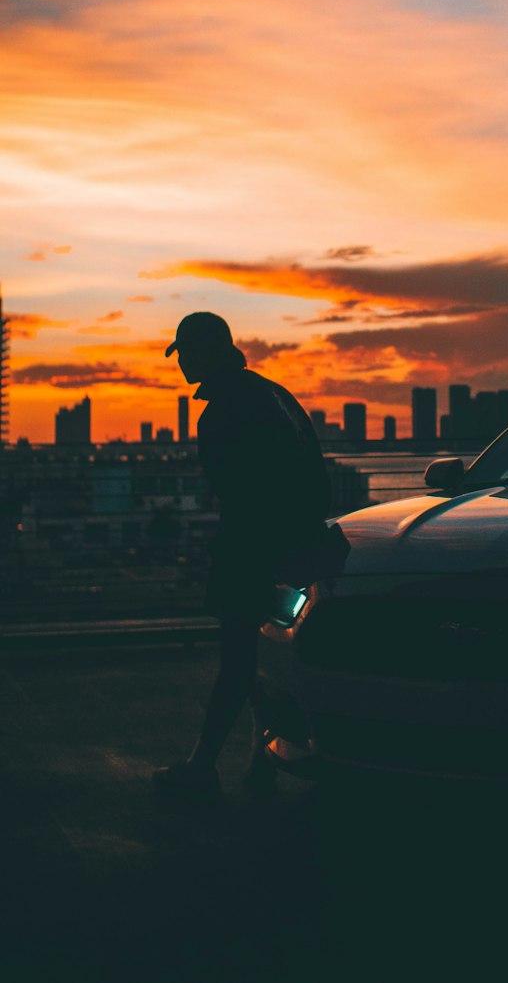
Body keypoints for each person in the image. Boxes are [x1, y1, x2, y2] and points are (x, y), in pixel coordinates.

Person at [152, 312, 331, 801]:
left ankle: (204, 765)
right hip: (296, 546)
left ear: (207, 352)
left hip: (253, 548)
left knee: (238, 656)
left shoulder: (224, 411)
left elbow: (239, 494)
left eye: (185, 352)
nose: (181, 362)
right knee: (260, 655)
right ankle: (259, 754)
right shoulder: (275, 396)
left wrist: (241, 546)